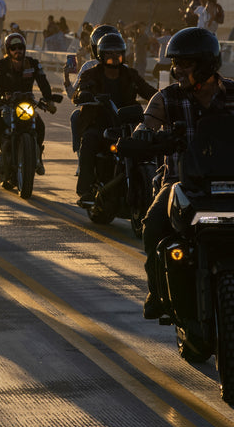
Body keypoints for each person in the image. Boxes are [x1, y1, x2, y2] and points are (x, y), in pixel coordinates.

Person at [137, 27, 234, 318]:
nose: (177, 70)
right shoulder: (167, 99)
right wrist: (143, 136)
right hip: (181, 183)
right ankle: (156, 290)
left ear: (205, 64)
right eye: (175, 64)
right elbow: (147, 124)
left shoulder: (233, 93)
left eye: (185, 64)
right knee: (152, 226)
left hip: (229, 180)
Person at [72, 31, 156, 204]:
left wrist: (163, 99)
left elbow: (148, 91)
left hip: (127, 125)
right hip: (99, 124)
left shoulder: (130, 75)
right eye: (109, 52)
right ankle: (85, 190)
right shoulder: (91, 75)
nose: (114, 56)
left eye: (117, 52)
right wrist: (85, 94)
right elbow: (79, 92)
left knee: (151, 142)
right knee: (89, 139)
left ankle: (155, 186)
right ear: (100, 54)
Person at [0, 31, 56, 175]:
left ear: (24, 49)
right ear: (8, 50)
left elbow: (43, 83)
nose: (17, 50)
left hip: (27, 105)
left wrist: (48, 100)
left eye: (20, 47)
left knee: (40, 126)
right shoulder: (0, 65)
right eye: (14, 48)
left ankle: (38, 156)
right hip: (5, 105)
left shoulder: (33, 64)